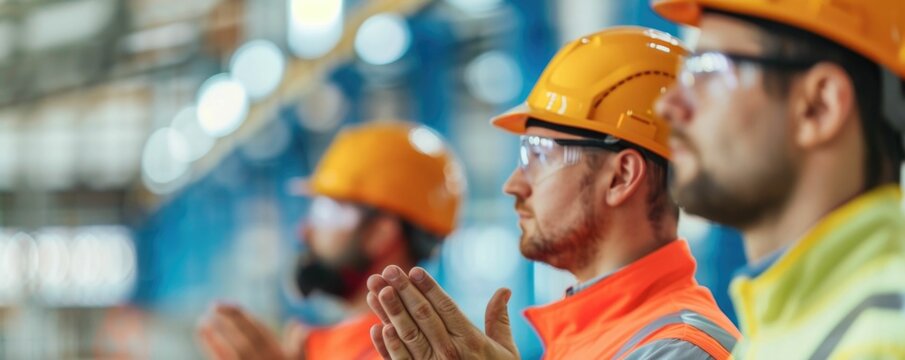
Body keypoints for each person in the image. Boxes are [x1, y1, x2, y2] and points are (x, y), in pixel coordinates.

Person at [366, 27, 740, 359]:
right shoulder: (589, 341)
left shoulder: (678, 350)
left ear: (621, 176)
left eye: (539, 154)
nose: (514, 184)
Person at [652, 0, 905, 357]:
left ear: (819, 107)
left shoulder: (886, 335)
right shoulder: (775, 334)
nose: (666, 105)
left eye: (709, 69)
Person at [196, 121, 466, 360]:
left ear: (380, 233)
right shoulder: (321, 348)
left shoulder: (414, 354)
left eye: (328, 212)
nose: (305, 230)